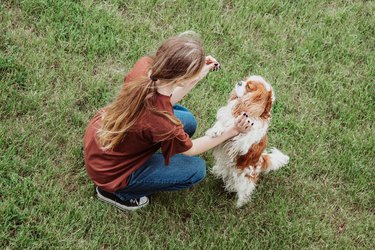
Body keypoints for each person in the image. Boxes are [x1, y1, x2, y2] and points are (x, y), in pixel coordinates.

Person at [83, 32, 252, 211]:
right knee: (196, 169)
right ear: (179, 79)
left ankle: (137, 163)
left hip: (100, 141)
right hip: (110, 174)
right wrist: (233, 130)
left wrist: (196, 76)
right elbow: (191, 149)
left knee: (188, 121)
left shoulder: (146, 67)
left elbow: (165, 100)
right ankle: (118, 194)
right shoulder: (162, 121)